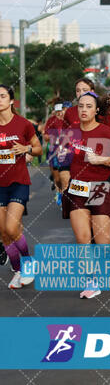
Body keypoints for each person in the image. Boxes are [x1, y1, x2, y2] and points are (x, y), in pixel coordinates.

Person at [62, 91, 110, 299]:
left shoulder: (106, 132)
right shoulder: (71, 130)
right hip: (77, 189)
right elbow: (62, 156)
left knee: (102, 241)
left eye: (89, 106)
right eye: (81, 106)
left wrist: (102, 160)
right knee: (83, 238)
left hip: (100, 188)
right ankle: (92, 281)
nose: (84, 110)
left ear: (97, 110)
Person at [0, 84, 42, 289]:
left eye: (2, 96)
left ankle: (27, 262)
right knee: (3, 232)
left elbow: (38, 148)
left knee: (11, 226)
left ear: (10, 101)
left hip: (18, 182)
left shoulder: (23, 124)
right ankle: (18, 270)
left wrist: (26, 148)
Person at [44, 102, 65, 205]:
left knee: (65, 174)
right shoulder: (51, 121)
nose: (60, 114)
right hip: (54, 150)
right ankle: (59, 191)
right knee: (57, 177)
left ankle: (65, 195)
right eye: (58, 112)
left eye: (61, 111)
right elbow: (46, 136)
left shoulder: (68, 121)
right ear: (55, 112)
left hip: (66, 151)